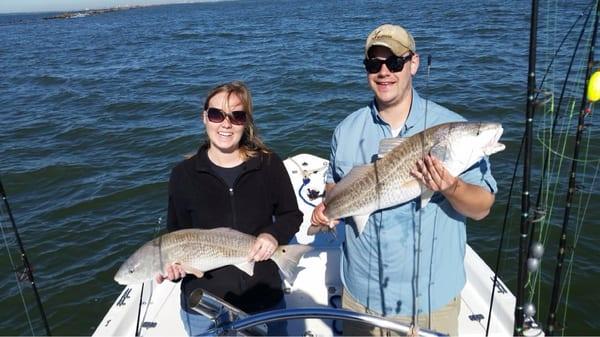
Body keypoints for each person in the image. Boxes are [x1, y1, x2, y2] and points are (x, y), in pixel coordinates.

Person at [311, 24, 497, 336]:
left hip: (429, 303)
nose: (384, 72)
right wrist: (325, 210)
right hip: (360, 296)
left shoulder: (448, 127)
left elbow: (482, 207)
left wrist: (451, 187)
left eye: (394, 62)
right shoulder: (346, 130)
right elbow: (334, 187)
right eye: (374, 64)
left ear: (414, 63)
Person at [158, 81, 303, 336]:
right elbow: (176, 235)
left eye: (236, 116)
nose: (226, 124)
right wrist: (174, 269)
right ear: (204, 117)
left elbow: (291, 215)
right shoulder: (183, 175)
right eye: (216, 114)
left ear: (246, 122)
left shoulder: (268, 164)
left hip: (263, 298)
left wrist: (272, 235)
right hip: (205, 307)